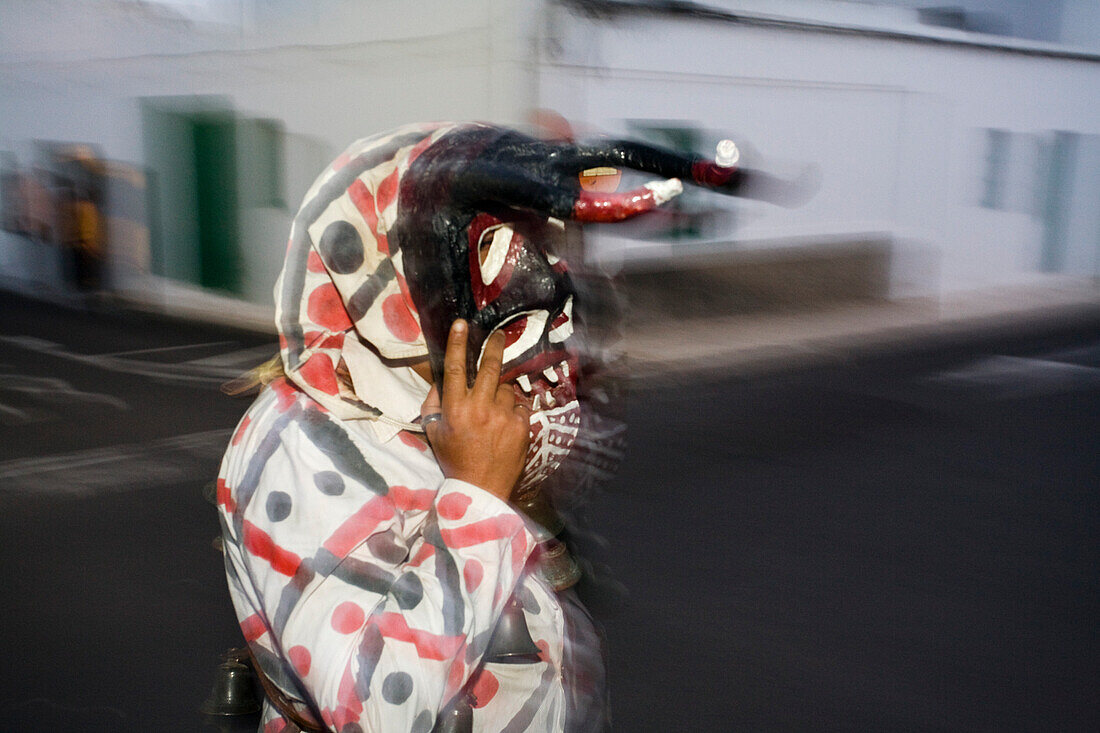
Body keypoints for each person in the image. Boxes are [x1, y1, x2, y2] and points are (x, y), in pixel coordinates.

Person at [216, 121, 792, 732]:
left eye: (549, 243)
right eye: (504, 247)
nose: (552, 284)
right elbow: (374, 712)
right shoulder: (297, 445)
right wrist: (478, 498)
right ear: (390, 277)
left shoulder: (463, 396)